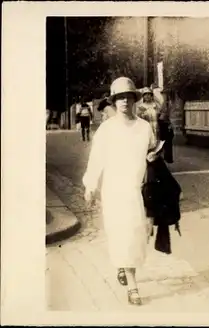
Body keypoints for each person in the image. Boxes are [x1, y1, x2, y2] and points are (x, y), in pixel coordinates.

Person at [82, 77, 159, 306]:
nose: (124, 101)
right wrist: (90, 185)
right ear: (113, 101)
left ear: (134, 99)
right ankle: (133, 288)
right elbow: (96, 160)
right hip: (114, 191)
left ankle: (123, 267)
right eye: (119, 98)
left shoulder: (144, 128)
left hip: (137, 191)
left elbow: (151, 152)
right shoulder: (107, 129)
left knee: (136, 236)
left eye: (128, 96)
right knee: (122, 235)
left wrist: (152, 157)